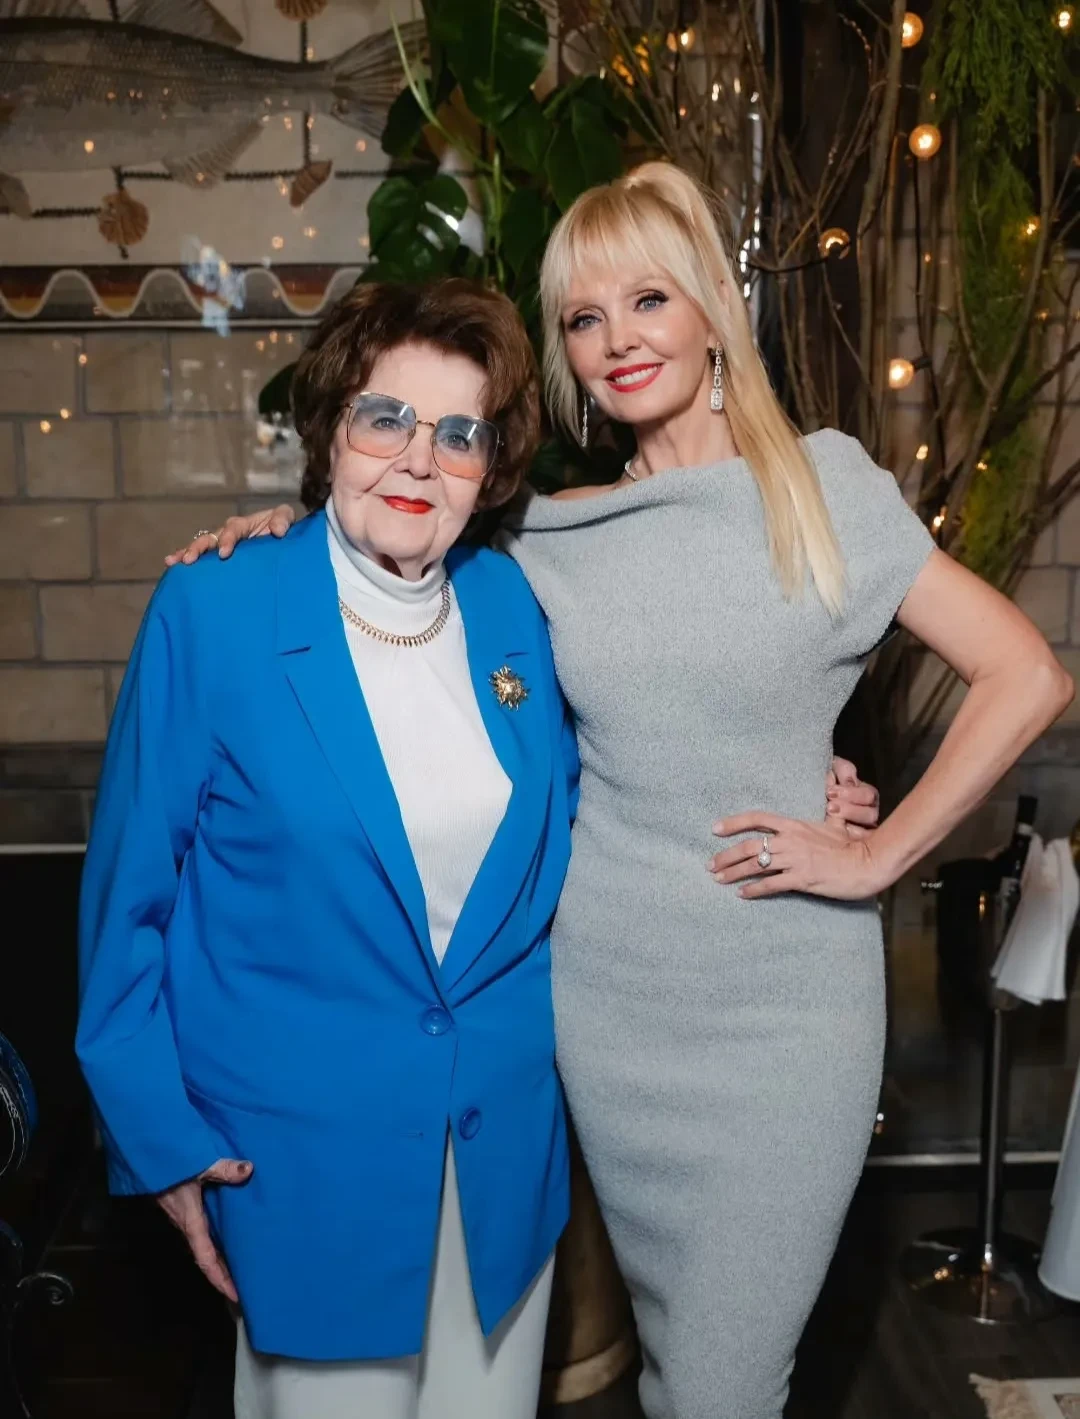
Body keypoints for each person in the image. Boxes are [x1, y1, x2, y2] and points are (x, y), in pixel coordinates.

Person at [162, 161, 1059, 1419]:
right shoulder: (544, 536)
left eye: (649, 299)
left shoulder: (828, 492)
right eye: (585, 317)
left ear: (711, 311)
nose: (619, 339)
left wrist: (876, 850)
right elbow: (393, 544)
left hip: (784, 1015)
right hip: (604, 1005)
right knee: (669, 1366)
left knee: (726, 1378)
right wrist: (274, 534)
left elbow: (1026, 674)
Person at [77, 279, 579, 1419]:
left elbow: (605, 801)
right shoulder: (216, 610)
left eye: (459, 434)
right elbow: (127, 904)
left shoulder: (513, 607)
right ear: (331, 428)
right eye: (385, 417)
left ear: (491, 468)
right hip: (306, 1177)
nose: (418, 461)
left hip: (500, 1171)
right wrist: (161, 1140)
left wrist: (806, 781)